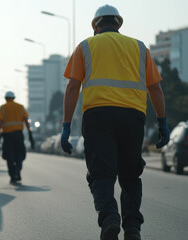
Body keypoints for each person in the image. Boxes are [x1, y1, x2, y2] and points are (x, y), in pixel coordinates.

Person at [60, 5, 170, 240]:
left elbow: (72, 87)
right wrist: (162, 122)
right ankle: (132, 228)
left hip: (98, 116)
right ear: (118, 24)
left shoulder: (85, 46)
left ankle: (110, 218)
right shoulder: (139, 48)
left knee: (101, 173)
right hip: (133, 117)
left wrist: (66, 126)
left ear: (95, 26)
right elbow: (155, 88)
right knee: (130, 175)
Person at [0, 91, 31, 184]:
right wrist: (30, 133)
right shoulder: (21, 107)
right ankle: (18, 170)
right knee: (20, 154)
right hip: (18, 135)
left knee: (9, 156)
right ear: (14, 98)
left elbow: (0, 123)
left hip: (7, 136)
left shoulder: (3, 108)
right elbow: (26, 121)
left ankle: (12, 176)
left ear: (5, 98)